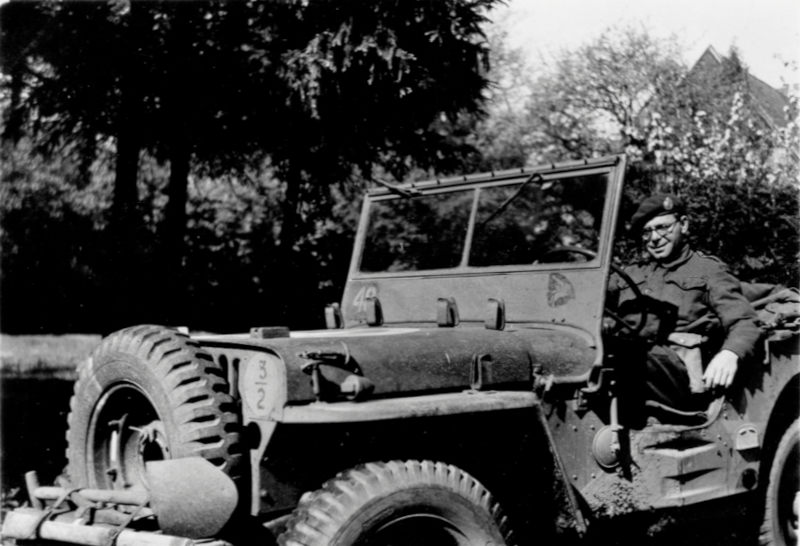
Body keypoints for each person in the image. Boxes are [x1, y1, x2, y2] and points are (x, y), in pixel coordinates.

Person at [607, 193, 761, 412]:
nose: (654, 238)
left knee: (630, 352)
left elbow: (744, 320)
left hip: (681, 376)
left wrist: (730, 353)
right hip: (634, 370)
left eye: (663, 227)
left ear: (684, 225)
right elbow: (590, 301)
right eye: (647, 232)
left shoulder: (708, 270)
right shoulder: (631, 273)